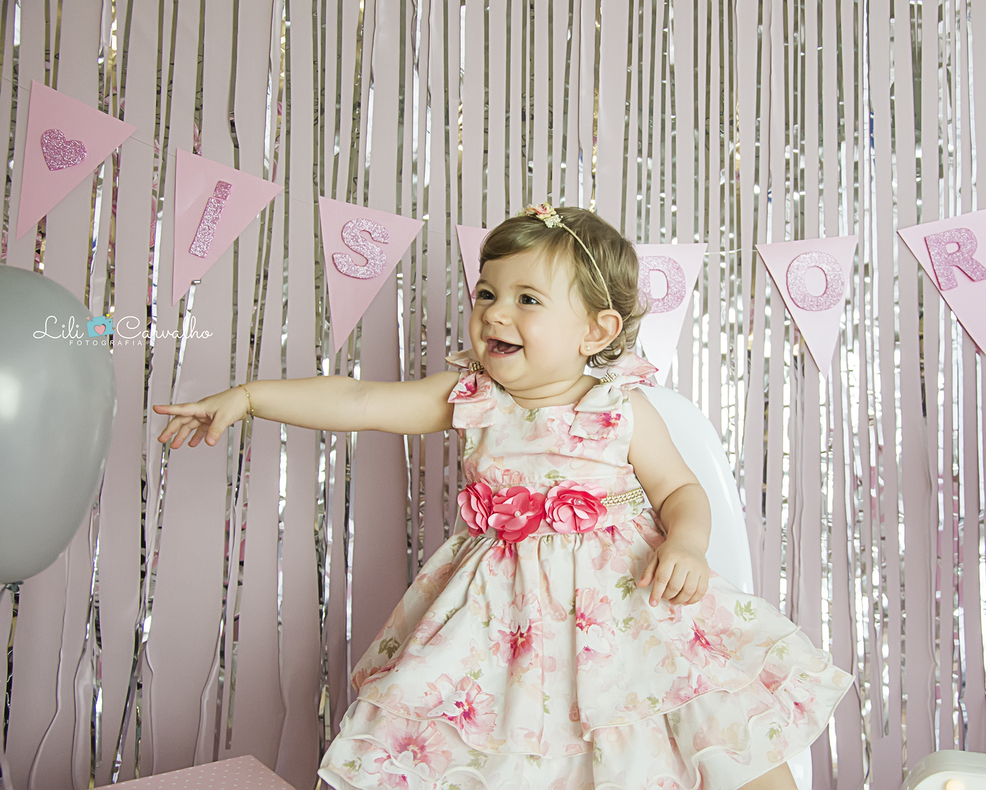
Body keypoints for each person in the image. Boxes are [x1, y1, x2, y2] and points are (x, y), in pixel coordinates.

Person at [154, 204, 852, 789]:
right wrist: (248, 397)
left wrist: (689, 542)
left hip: (625, 614)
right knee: (483, 744)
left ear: (596, 330)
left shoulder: (621, 407)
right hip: (498, 623)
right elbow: (361, 398)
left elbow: (679, 490)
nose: (494, 313)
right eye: (486, 293)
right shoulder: (471, 397)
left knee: (710, 720)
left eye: (526, 300)